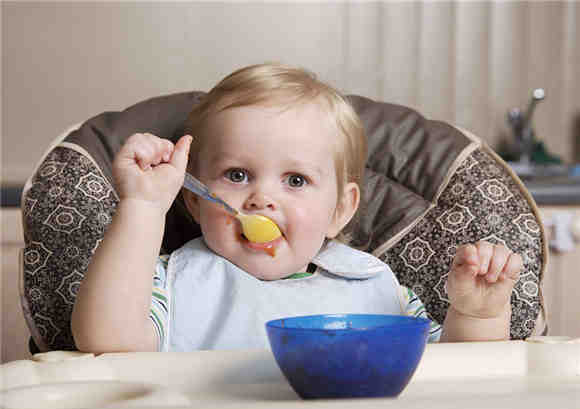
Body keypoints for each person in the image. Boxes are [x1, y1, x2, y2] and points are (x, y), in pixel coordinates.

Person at [72, 63, 523, 353]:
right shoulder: (171, 284)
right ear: (192, 198)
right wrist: (144, 206)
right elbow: (107, 342)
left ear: (340, 210)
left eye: (295, 180)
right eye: (237, 174)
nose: (262, 198)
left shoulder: (376, 289)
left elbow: (458, 379)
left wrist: (477, 316)